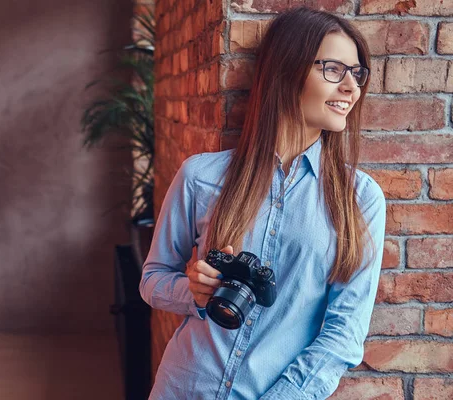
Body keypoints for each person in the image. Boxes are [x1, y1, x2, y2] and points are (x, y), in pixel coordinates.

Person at [139, 6, 387, 400]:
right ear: (286, 71)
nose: (351, 88)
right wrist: (195, 293)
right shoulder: (201, 176)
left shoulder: (361, 199)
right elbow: (152, 279)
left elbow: (343, 335)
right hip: (183, 387)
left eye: (356, 74)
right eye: (334, 70)